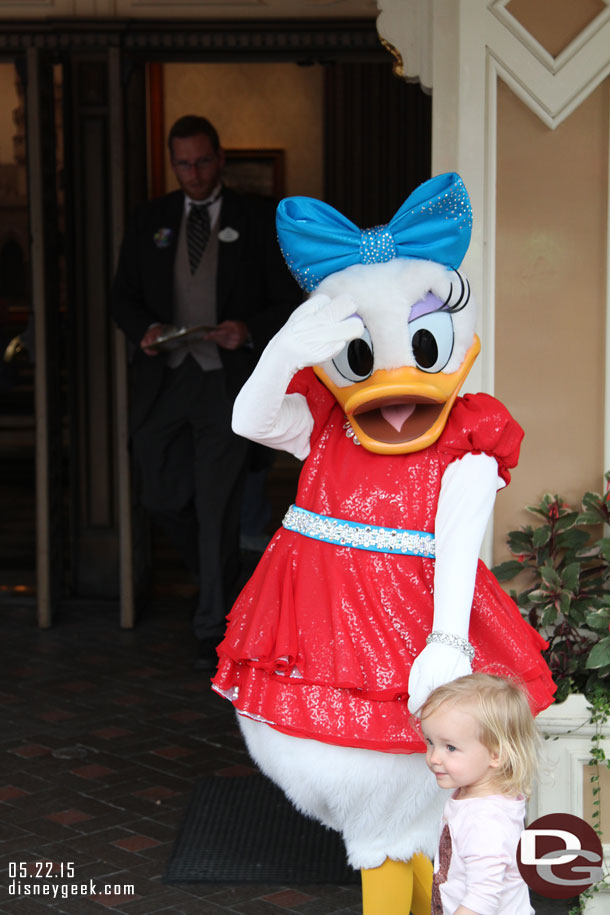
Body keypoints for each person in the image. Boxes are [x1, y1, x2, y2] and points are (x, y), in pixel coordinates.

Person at [110, 115, 300, 668]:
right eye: (182, 164)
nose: (192, 174)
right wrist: (143, 330)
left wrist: (247, 329)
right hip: (167, 380)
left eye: (201, 162)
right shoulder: (151, 219)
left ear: (220, 159)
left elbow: (288, 299)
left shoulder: (257, 219)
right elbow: (122, 296)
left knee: (218, 506)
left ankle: (211, 626)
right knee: (160, 496)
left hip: (227, 384)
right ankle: (220, 580)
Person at [419, 673, 539, 915]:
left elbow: (482, 899)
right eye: (430, 742)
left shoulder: (485, 821)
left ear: (496, 754)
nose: (434, 758)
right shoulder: (475, 797)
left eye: (450, 747)